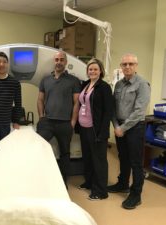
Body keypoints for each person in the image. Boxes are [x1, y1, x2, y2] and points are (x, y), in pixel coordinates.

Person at [108, 53, 151, 209]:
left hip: (134, 128)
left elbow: (140, 111)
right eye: (124, 64)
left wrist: (123, 128)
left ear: (136, 66)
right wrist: (116, 125)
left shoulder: (142, 84)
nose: (127, 67)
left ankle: (135, 194)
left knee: (135, 162)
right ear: (121, 66)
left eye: (130, 64)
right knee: (123, 157)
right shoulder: (119, 84)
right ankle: (122, 184)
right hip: (120, 126)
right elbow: (113, 108)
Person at [37, 51, 81, 187]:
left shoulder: (73, 81)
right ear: (54, 61)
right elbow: (40, 99)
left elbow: (76, 103)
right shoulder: (45, 80)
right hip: (47, 122)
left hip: (64, 123)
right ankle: (41, 178)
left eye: (62, 59)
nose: (59, 62)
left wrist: (73, 121)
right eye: (56, 59)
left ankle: (63, 182)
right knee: (39, 148)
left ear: (66, 62)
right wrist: (41, 117)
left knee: (65, 153)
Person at [77, 58, 113, 200]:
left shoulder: (104, 87)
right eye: (90, 69)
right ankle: (90, 182)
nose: (92, 71)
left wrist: (103, 132)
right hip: (84, 127)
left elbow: (108, 111)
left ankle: (101, 191)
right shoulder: (85, 85)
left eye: (95, 69)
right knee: (88, 157)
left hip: (96, 129)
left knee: (99, 160)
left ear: (100, 71)